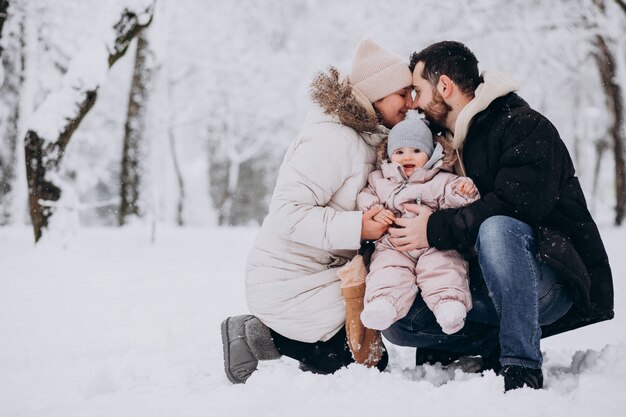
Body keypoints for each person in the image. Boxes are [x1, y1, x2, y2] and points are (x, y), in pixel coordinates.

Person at [384, 41, 614, 391]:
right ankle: (485, 342)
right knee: (401, 324)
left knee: (498, 228)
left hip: (547, 283)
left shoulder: (522, 126)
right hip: (481, 288)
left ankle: (521, 366)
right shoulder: (437, 146)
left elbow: (515, 205)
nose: (413, 102)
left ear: (444, 86)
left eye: (418, 90)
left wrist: (432, 228)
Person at [221, 38, 414, 384]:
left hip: (322, 272)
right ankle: (254, 335)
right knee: (359, 363)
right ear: (378, 94)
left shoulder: (367, 139)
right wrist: (358, 227)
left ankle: (307, 342)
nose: (410, 103)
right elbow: (287, 214)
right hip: (290, 279)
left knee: (368, 356)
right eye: (403, 93)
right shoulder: (334, 139)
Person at [356, 117, 478, 335]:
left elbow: (455, 202)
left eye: (416, 150)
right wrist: (376, 210)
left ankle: (448, 305)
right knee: (387, 269)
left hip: (434, 244)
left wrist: (462, 191)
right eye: (400, 152)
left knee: (443, 267)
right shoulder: (380, 179)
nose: (407, 157)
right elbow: (365, 196)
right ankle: (383, 304)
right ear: (389, 155)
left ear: (430, 155)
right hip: (394, 245)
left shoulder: (441, 180)